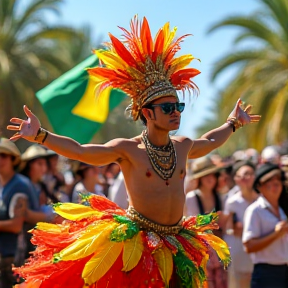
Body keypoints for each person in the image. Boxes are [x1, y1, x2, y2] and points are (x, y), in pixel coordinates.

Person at [7, 16, 260, 288]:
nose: (176, 112)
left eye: (179, 107)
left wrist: (233, 123)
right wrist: (41, 135)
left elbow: (210, 141)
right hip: (136, 246)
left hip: (177, 242)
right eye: (167, 108)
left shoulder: (183, 145)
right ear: (148, 113)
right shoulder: (128, 150)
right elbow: (81, 151)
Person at [242, 163, 288, 288]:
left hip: (284, 271)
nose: (275, 186)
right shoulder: (255, 210)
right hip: (266, 273)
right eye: (269, 183)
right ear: (260, 187)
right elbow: (249, 246)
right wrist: (276, 234)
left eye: (278, 182)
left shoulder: (283, 209)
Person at [0, 138, 38, 288]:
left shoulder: (20, 185)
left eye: (4, 155)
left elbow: (16, 225)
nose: (0, 159)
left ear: (13, 159)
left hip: (16, 259)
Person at [184, 156, 227, 288]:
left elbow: (225, 226)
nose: (210, 178)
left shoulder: (219, 197)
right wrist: (213, 221)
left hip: (219, 254)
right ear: (199, 178)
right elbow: (193, 226)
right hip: (201, 253)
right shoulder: (192, 197)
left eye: (212, 175)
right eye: (205, 175)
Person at [222, 161, 258, 288]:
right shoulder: (232, 201)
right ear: (236, 179)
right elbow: (226, 229)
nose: (244, 178)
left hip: (259, 253)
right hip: (238, 253)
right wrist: (234, 230)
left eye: (248, 174)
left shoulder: (262, 199)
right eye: (240, 175)